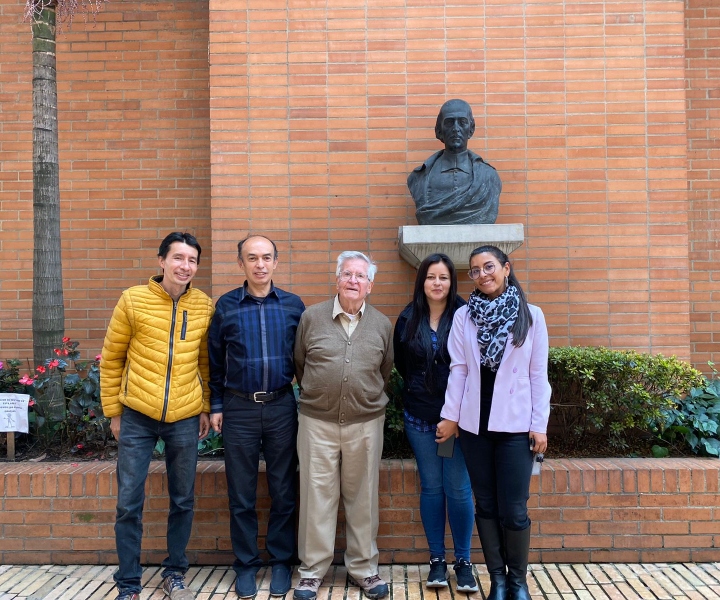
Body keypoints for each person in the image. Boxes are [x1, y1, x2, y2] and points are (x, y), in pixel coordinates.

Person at [100, 232, 215, 600]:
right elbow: (112, 358)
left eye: (192, 260)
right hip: (137, 414)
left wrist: (205, 406)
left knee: (183, 499)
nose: (186, 266)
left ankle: (175, 572)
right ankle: (129, 583)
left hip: (184, 415)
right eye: (178, 258)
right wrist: (114, 412)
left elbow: (205, 363)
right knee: (128, 501)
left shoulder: (203, 306)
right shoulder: (132, 300)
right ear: (161, 261)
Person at [437, 245, 551, 600]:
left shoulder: (531, 316)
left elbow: (538, 375)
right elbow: (459, 370)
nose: (482, 274)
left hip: (516, 428)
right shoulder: (463, 317)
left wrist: (539, 423)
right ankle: (498, 582)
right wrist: (450, 416)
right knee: (485, 505)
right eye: (474, 270)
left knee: (515, 508)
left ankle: (518, 582)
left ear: (506, 268)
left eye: (489, 267)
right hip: (475, 427)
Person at [292, 251, 394, 600]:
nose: (353, 281)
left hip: (365, 424)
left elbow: (384, 371)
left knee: (363, 497)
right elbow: (300, 364)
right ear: (337, 278)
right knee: (316, 497)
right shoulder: (312, 317)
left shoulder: (382, 324)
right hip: (316, 422)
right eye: (347, 274)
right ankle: (311, 572)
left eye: (360, 276)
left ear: (370, 285)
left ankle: (364, 569)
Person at [208, 235, 305, 599]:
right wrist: (216, 405)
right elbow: (215, 362)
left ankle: (281, 561)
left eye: (266, 258)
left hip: (282, 405)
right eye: (252, 258)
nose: (260, 264)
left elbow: (305, 360)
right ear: (241, 264)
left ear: (276, 263)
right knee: (241, 492)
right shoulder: (227, 306)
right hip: (239, 408)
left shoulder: (294, 306)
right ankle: (246, 565)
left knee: (283, 488)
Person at [392, 253, 477, 593]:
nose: (437, 283)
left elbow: (473, 368)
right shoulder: (408, 318)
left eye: (443, 277)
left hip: (457, 421)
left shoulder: (466, 315)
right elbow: (402, 366)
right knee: (431, 486)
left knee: (458, 488)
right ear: (421, 281)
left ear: (451, 281)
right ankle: (437, 561)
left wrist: (453, 417)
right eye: (431, 277)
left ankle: (464, 562)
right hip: (419, 418)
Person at [407, 98, 502, 225]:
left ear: (471, 128)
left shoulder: (489, 176)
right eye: (449, 122)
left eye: (462, 122)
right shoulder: (419, 178)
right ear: (439, 130)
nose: (456, 128)